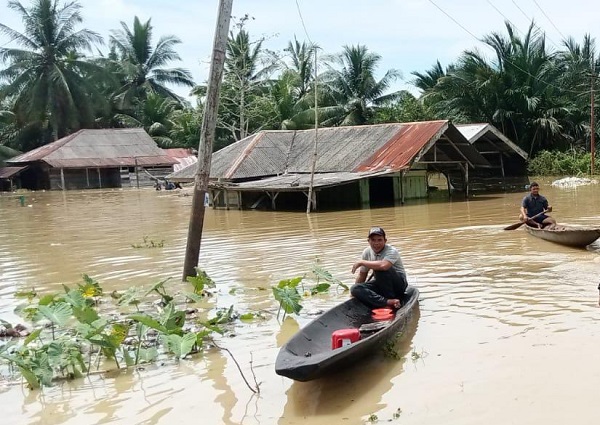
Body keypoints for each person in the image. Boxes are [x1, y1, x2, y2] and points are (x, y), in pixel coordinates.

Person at [351, 227, 408, 309]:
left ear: (385, 241)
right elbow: (362, 275)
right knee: (355, 288)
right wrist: (353, 294)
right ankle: (387, 302)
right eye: (373, 240)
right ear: (368, 241)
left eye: (379, 240)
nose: (376, 243)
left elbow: (383, 266)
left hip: (398, 285)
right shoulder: (366, 252)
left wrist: (361, 262)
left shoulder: (392, 251)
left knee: (380, 269)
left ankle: (390, 299)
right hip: (380, 283)